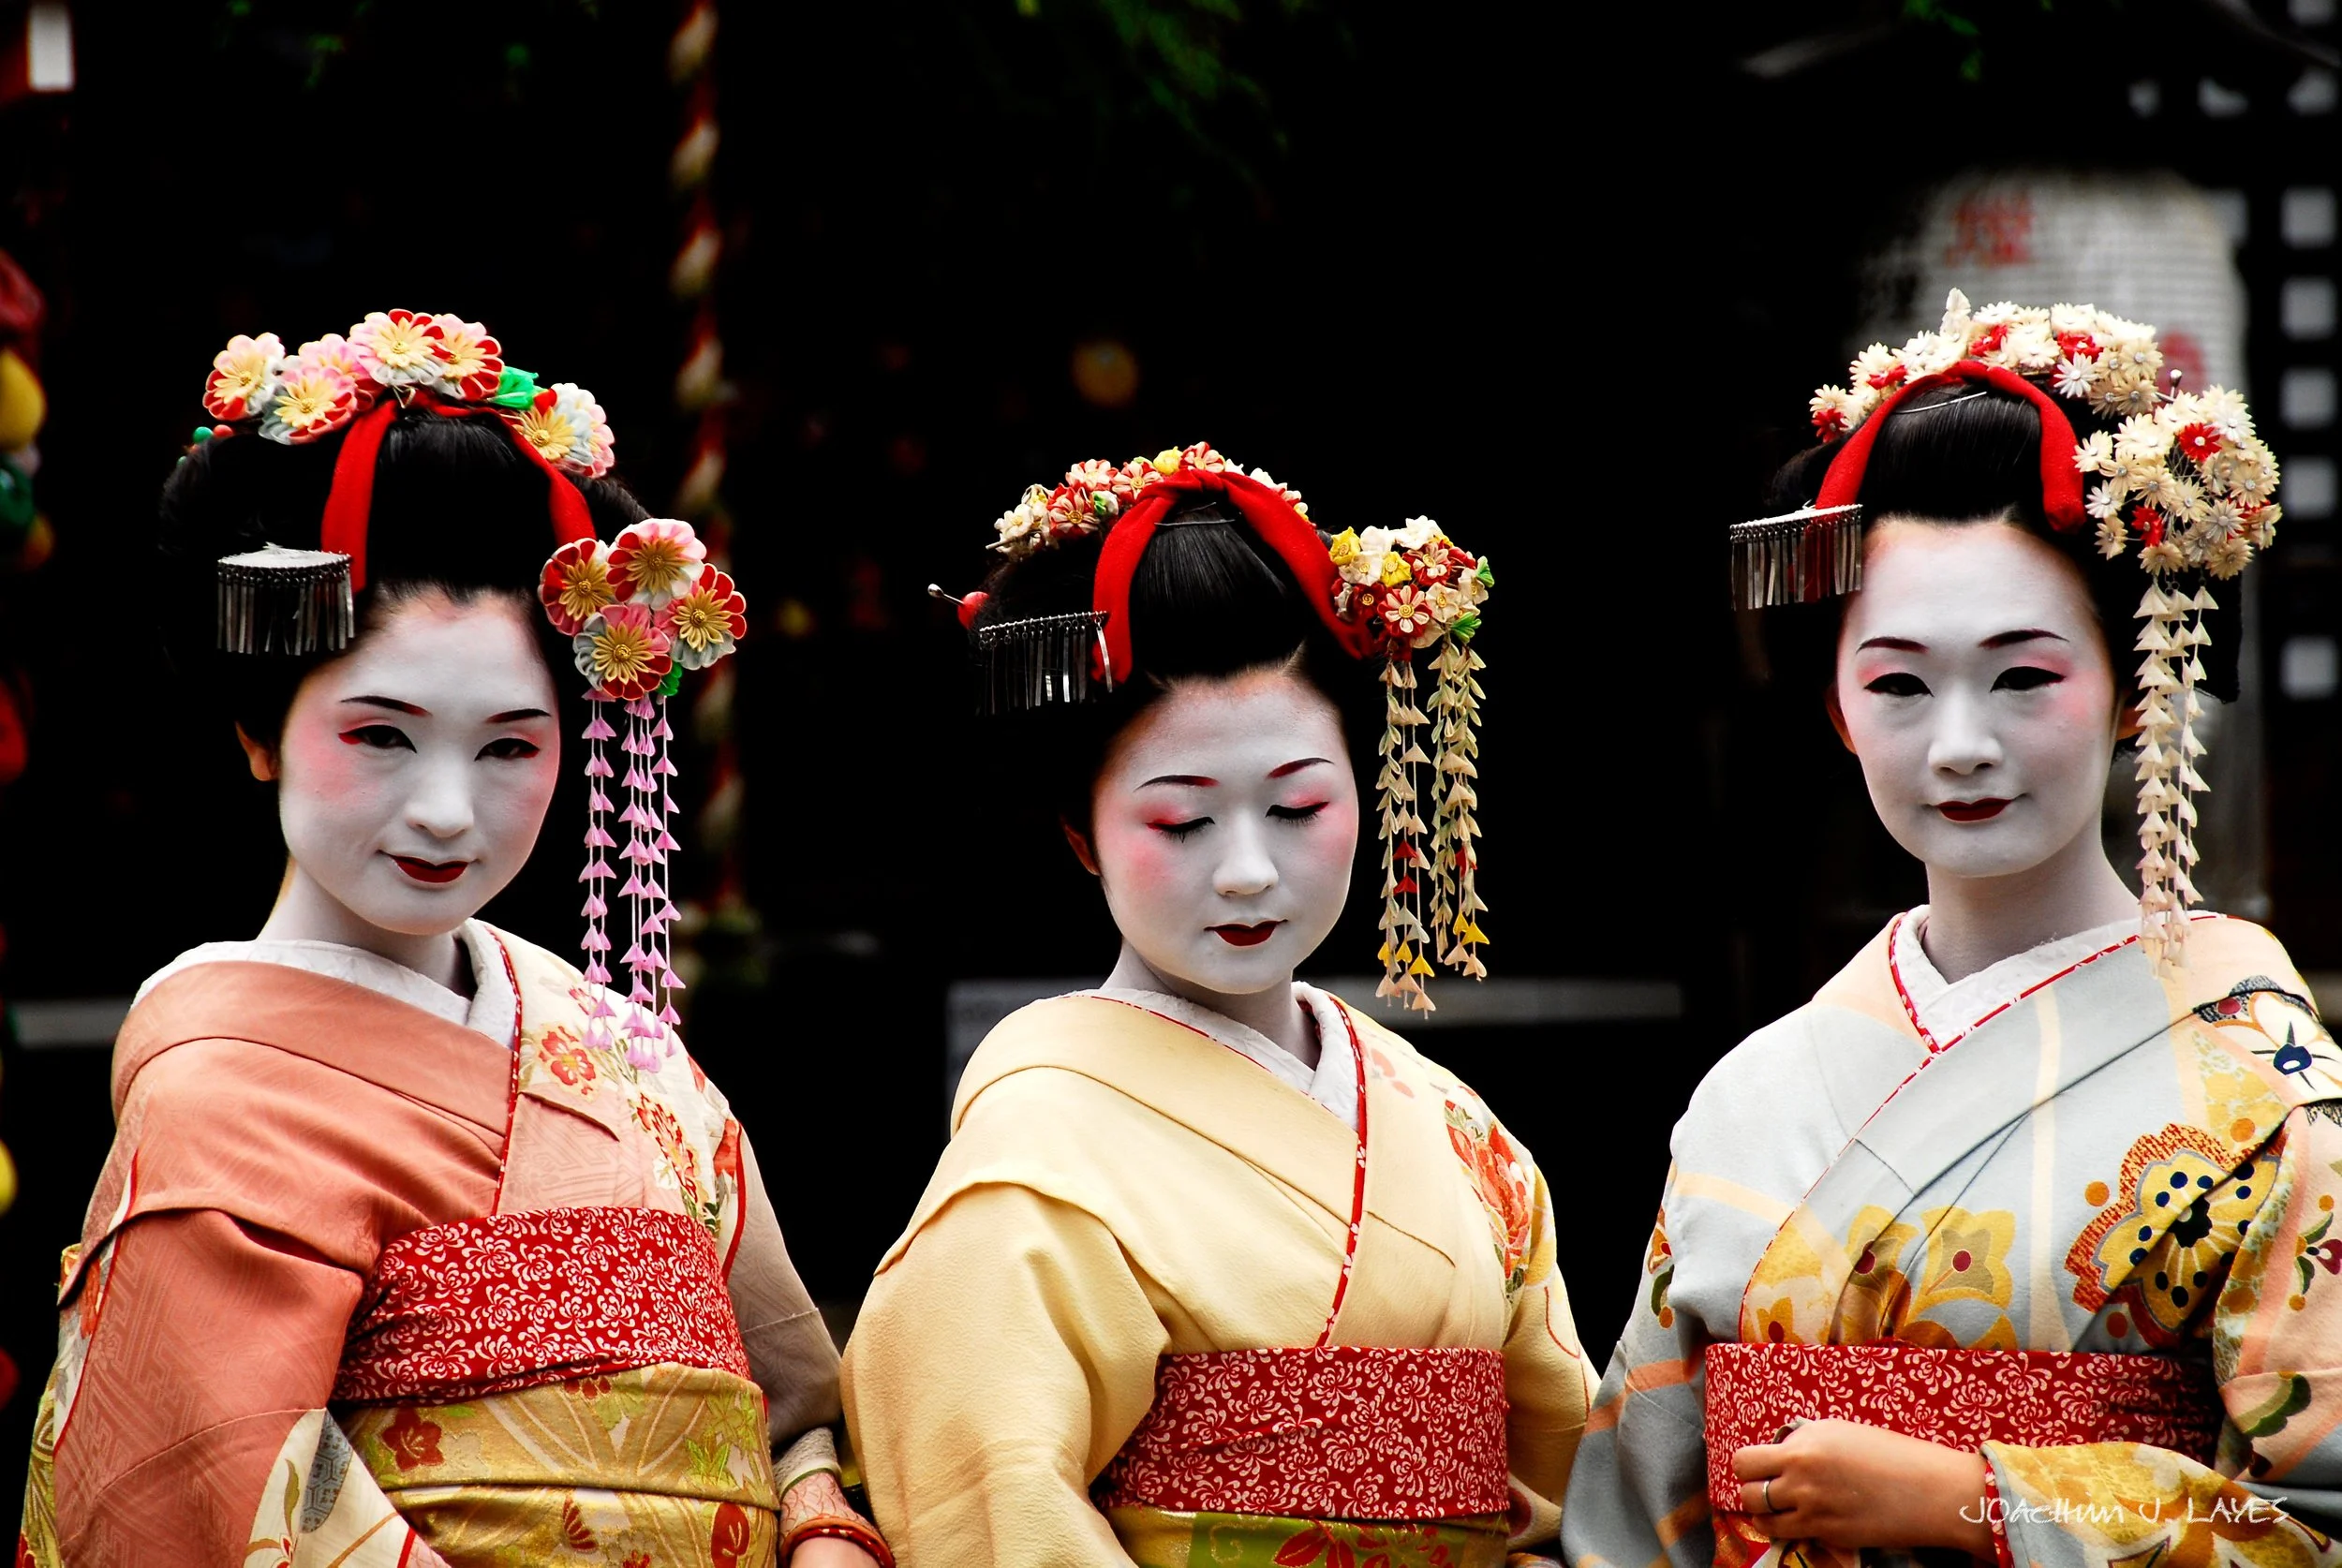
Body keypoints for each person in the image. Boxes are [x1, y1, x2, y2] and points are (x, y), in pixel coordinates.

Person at [16, 311, 887, 1568]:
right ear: (258, 730)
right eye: (381, 734)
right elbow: (213, 1488)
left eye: (509, 747)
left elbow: (801, 1411)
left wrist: (820, 1528)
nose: (445, 808)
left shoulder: (621, 1052)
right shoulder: (215, 1100)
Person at [1563, 293, 2330, 1568]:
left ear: (2137, 692)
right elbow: (1626, 1533)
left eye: (2024, 676)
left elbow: (2318, 1527)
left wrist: (1972, 1500)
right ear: (1836, 708)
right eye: (1899, 683)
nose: (1960, 743)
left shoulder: (2270, 1096)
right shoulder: (1752, 1095)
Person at [843, 444, 1591, 1567]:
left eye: (1297, 808)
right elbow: (993, 1500)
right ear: (1079, 833)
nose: (1247, 870)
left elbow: (1570, 1477)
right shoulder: (1036, 1149)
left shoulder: (1449, 1126)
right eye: (1182, 822)